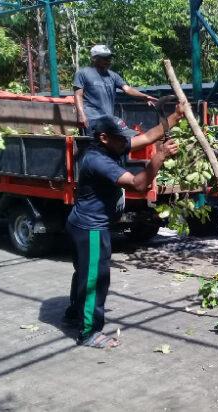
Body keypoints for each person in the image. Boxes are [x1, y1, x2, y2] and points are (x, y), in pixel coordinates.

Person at [63, 104, 185, 348]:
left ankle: (75, 313)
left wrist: (175, 116)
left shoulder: (110, 146)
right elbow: (139, 184)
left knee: (85, 274)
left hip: (81, 224)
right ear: (104, 137)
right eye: (122, 140)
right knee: (95, 280)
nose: (126, 144)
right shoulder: (98, 161)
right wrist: (159, 156)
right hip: (92, 228)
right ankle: (88, 333)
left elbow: (150, 136)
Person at [73, 44, 158, 132]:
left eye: (109, 58)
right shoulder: (83, 73)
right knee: (94, 144)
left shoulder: (113, 75)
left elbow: (127, 89)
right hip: (91, 118)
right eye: (104, 58)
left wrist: (145, 97)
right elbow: (78, 95)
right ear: (94, 58)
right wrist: (81, 114)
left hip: (108, 119)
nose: (108, 61)